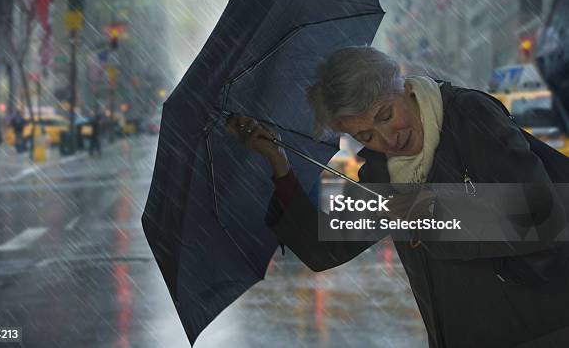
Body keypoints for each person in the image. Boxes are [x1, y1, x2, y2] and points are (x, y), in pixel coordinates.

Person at [225, 46, 569, 347]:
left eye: (386, 115)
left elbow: (539, 213)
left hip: (542, 331)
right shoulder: (381, 174)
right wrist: (278, 163)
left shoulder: (469, 116)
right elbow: (326, 248)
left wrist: (429, 211)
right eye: (365, 134)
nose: (387, 139)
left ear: (402, 86)